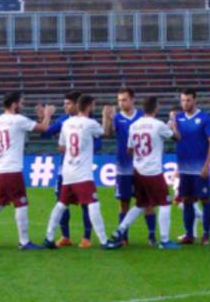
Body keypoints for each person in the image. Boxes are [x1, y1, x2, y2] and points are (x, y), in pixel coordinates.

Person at [0, 92, 54, 250]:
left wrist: (1, 154)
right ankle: (24, 241)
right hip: (12, 169)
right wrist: (48, 114)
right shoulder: (18, 120)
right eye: (20, 103)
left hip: (1, 168)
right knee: (21, 203)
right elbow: (43, 128)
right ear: (14, 104)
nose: (21, 105)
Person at [104, 97, 181, 250]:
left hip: (138, 170)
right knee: (165, 203)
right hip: (153, 171)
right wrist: (174, 125)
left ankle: (120, 230)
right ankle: (165, 240)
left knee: (141, 204)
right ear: (156, 108)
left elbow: (129, 150)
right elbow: (177, 138)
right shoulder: (158, 125)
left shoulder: (134, 126)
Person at [43, 95, 109, 248]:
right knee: (93, 204)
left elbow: (61, 147)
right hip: (82, 173)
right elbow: (105, 132)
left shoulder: (66, 123)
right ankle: (104, 241)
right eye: (93, 105)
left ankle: (49, 237)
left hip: (67, 171)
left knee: (60, 204)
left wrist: (74, 150)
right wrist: (106, 116)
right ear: (89, 106)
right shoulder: (90, 123)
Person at [171, 89, 210, 244]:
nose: (185, 103)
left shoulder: (204, 118)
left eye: (188, 100)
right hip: (184, 168)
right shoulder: (177, 118)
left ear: (195, 100)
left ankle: (206, 234)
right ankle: (189, 234)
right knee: (186, 200)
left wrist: (207, 165)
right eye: (183, 100)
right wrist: (172, 127)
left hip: (199, 168)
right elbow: (176, 139)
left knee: (205, 199)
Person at [102, 87, 142, 238]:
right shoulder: (117, 117)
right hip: (123, 166)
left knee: (145, 202)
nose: (121, 103)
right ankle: (123, 237)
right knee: (123, 202)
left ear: (132, 100)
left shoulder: (142, 116)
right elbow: (107, 134)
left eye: (124, 100)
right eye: (119, 100)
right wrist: (106, 118)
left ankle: (152, 236)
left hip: (141, 166)